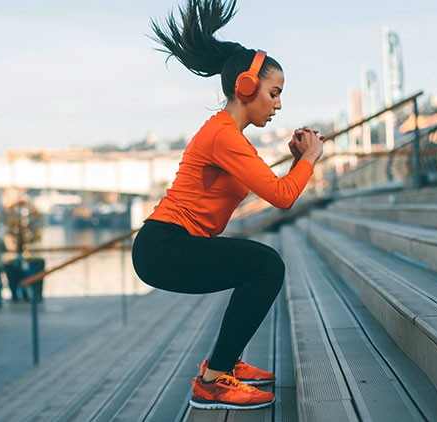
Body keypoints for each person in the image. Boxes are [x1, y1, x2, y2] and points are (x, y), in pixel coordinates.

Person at [131, 0, 324, 411]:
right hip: (165, 246)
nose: (278, 104)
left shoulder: (229, 137)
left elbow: (275, 186)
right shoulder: (224, 136)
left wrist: (295, 162)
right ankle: (214, 380)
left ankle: (224, 365)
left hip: (170, 244)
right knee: (265, 265)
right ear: (246, 87)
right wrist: (308, 160)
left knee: (257, 265)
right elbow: (284, 197)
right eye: (274, 93)